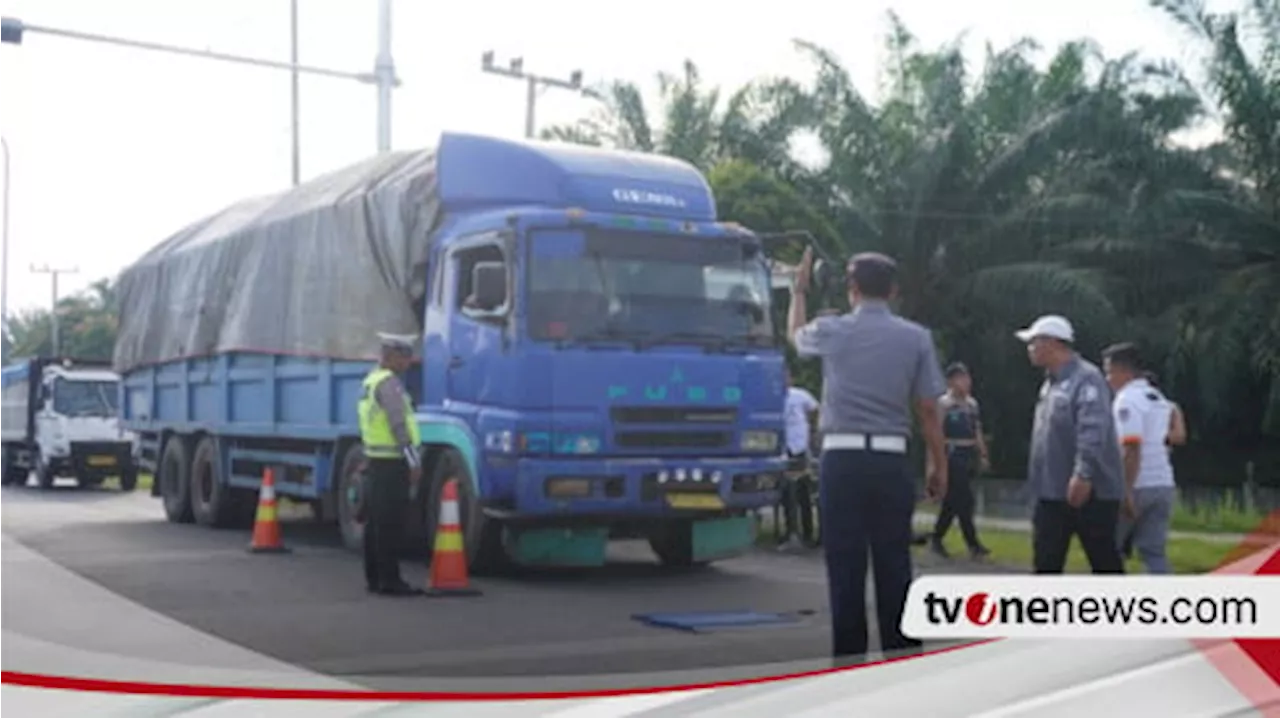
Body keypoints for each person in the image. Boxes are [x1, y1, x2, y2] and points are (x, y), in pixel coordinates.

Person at [789, 246, 948, 662]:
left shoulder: (831, 329)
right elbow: (929, 408)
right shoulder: (916, 337)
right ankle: (901, 660)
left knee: (845, 569)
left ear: (851, 288)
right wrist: (938, 464)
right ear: (894, 290)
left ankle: (848, 667)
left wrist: (798, 292)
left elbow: (794, 335)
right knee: (895, 564)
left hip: (842, 461)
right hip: (890, 460)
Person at [1017, 315, 1125, 574]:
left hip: (1089, 492)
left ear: (1053, 343)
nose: (1029, 349)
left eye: (1034, 343)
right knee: (1045, 563)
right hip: (1051, 491)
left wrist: (1083, 472)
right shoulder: (1049, 384)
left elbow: (1093, 429)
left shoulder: (1086, 379)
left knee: (1104, 564)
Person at [357, 332, 425, 597]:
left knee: (375, 523)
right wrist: (413, 461)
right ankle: (390, 580)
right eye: (404, 356)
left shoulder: (370, 381)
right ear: (390, 357)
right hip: (392, 462)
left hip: (375, 459)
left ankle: (374, 578)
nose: (408, 362)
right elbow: (398, 424)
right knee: (390, 524)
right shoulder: (390, 384)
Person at [1104, 344, 1177, 574]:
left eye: (1109, 371)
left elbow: (1132, 448)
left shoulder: (1127, 401)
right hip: (1163, 482)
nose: (1107, 379)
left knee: (1107, 550)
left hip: (1137, 483)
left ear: (1123, 371)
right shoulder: (1158, 398)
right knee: (1154, 552)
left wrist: (1125, 491)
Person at [929, 362, 992, 560]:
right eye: (961, 378)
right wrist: (934, 462)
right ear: (951, 381)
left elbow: (977, 430)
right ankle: (972, 544)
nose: (966, 382)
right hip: (951, 452)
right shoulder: (944, 404)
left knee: (952, 502)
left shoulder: (972, 404)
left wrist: (983, 454)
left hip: (968, 452)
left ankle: (937, 538)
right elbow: (936, 432)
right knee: (964, 500)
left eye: (967, 378)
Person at [778, 370, 820, 549]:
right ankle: (791, 533)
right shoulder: (774, 398)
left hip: (800, 448)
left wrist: (812, 431)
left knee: (804, 493)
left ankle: (808, 534)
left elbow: (815, 409)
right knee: (788, 495)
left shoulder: (800, 395)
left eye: (786, 377)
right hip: (783, 450)